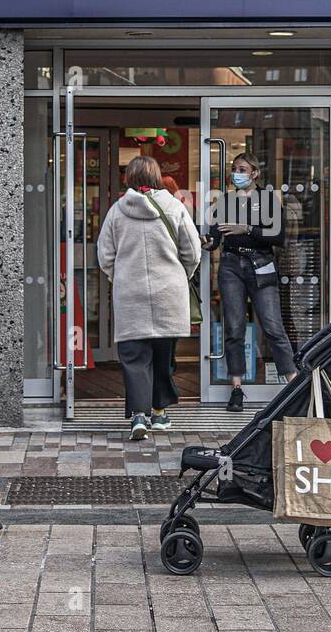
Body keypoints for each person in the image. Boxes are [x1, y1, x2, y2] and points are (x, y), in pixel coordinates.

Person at [97, 155, 201, 441]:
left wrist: (118, 278)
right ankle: (159, 413)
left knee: (133, 357)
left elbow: (105, 256)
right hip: (169, 293)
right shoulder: (175, 207)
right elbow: (192, 251)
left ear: (129, 178)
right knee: (163, 355)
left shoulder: (117, 211)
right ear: (156, 177)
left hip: (130, 294)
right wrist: (182, 276)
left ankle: (139, 416)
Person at [204, 153, 297, 411]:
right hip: (231, 265)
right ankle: (237, 388)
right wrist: (208, 242)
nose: (237, 173)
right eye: (234, 169)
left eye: (242, 169)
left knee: (272, 326)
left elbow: (278, 236)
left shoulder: (267, 200)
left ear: (255, 173)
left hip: (261, 264)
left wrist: (245, 229)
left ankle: (293, 385)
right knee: (234, 328)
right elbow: (215, 238)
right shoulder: (226, 201)